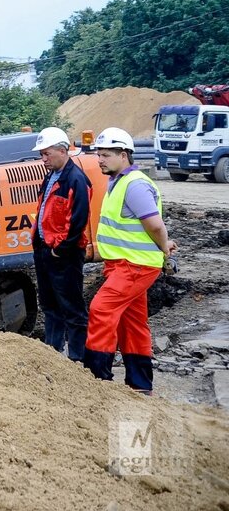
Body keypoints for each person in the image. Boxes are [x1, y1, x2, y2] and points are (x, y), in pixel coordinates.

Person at [84, 126, 177, 394]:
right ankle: (140, 385)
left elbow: (155, 225)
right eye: (99, 154)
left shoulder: (134, 184)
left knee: (101, 310)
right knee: (133, 323)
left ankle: (96, 379)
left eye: (105, 155)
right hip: (124, 264)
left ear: (124, 155)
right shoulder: (119, 181)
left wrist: (164, 249)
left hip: (134, 266)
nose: (99, 160)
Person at [30, 126, 92, 361]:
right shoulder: (51, 176)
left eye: (47, 154)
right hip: (46, 251)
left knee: (72, 308)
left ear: (63, 150)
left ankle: (78, 359)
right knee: (50, 305)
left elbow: (78, 221)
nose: (43, 159)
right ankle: (52, 354)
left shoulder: (75, 179)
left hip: (63, 255)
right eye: (41, 155)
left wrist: (61, 250)